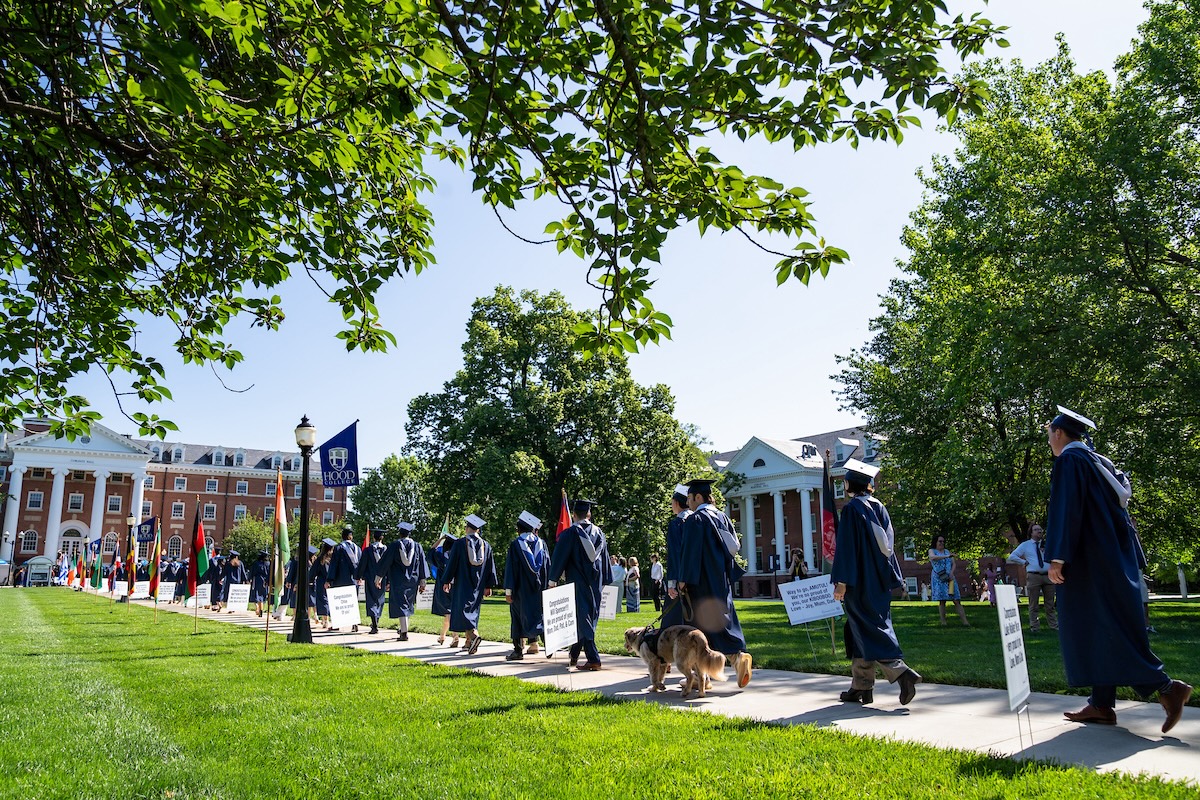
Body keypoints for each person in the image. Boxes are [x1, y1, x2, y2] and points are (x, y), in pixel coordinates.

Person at [1044, 406, 1191, 732]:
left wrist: (1057, 556)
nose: (1049, 442)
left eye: (1049, 435)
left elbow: (1068, 509)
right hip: (1113, 560)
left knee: (1102, 627)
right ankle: (1101, 705)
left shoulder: (1070, 460)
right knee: (1103, 626)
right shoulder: (1101, 463)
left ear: (1058, 433)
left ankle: (1167, 687)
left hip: (1089, 563)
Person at [831, 459, 922, 706]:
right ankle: (861, 686)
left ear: (851, 484)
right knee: (859, 628)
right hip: (878, 581)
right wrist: (895, 578)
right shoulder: (879, 507)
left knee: (869, 630)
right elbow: (888, 548)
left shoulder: (852, 509)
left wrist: (842, 581)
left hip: (859, 582)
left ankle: (902, 674)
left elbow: (847, 549)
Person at [679, 478, 753, 688]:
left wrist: (683, 580)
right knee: (723, 620)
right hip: (721, 579)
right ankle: (737, 657)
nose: (689, 503)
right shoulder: (722, 517)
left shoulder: (696, 520)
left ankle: (702, 677)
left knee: (701, 631)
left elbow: (690, 553)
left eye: (690, 498)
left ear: (698, 497)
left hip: (701, 581)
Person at [547, 499, 611, 670]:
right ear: (589, 514)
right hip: (596, 583)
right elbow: (604, 559)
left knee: (583, 618)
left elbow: (560, 557)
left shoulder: (570, 534)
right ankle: (574, 653)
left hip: (577, 581)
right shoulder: (600, 534)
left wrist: (552, 580)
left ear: (574, 515)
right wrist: (605, 581)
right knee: (586, 618)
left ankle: (594, 658)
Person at [443, 514, 497, 655]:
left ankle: (473, 635)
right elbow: (491, 567)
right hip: (478, 586)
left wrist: (446, 580)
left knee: (463, 611)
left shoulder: (460, 544)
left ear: (467, 528)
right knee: (473, 611)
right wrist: (488, 585)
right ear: (478, 530)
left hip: (462, 584)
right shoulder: (486, 545)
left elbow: (452, 563)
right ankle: (468, 643)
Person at [502, 511, 548, 660]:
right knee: (540, 615)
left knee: (517, 618)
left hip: (520, 591)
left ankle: (518, 650)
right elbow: (547, 566)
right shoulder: (541, 544)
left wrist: (509, 591)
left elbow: (511, 569)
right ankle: (548, 644)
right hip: (539, 589)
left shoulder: (516, 545)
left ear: (518, 529)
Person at [375, 523, 427, 640]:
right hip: (413, 580)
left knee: (401, 605)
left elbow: (385, 562)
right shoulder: (417, 546)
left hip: (398, 580)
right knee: (407, 604)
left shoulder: (394, 546)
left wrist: (379, 577)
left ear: (400, 533)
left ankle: (404, 632)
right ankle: (404, 628)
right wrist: (422, 581)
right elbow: (422, 565)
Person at [1006, 523, 1057, 631]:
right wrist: (1024, 562)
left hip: (1048, 576)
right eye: (1036, 529)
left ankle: (1054, 626)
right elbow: (1012, 556)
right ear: (1031, 532)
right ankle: (1035, 627)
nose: (1039, 531)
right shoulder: (1026, 545)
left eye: (1040, 529)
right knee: (1034, 603)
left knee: (1050, 603)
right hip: (1034, 576)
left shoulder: (1047, 544)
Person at [663, 484, 690, 629]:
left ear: (677, 503)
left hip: (681, 579)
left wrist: (672, 583)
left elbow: (675, 555)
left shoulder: (677, 523)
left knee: (672, 621)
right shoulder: (697, 519)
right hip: (698, 579)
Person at [928, 535, 970, 627]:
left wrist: (951, 573)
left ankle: (965, 622)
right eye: (940, 541)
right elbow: (932, 557)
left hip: (950, 578)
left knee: (956, 599)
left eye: (943, 541)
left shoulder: (947, 551)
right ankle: (943, 622)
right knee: (942, 601)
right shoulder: (932, 551)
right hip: (939, 578)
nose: (942, 543)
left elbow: (953, 563)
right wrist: (947, 556)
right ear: (935, 542)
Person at [326, 524, 362, 631]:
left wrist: (329, 579)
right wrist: (359, 577)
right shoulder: (358, 549)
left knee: (340, 603)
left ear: (343, 536)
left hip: (341, 579)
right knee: (352, 602)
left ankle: (337, 625)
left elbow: (334, 564)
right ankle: (354, 624)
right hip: (354, 580)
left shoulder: (339, 548)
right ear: (351, 536)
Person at [427, 527, 459, 646]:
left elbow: (431, 551)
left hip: (443, 585)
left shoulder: (441, 557)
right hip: (456, 586)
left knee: (448, 612)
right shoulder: (456, 557)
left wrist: (441, 539)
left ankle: (455, 636)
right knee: (450, 612)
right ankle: (442, 636)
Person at [357, 526, 389, 635]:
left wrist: (359, 576)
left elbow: (362, 565)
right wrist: (389, 581)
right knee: (380, 600)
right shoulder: (386, 550)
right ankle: (376, 622)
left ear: (374, 538)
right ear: (382, 538)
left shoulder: (368, 550)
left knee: (371, 600)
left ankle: (374, 625)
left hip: (371, 578)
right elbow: (389, 566)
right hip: (382, 579)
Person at [311, 539, 335, 629]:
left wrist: (311, 579)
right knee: (332, 601)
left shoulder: (320, 559)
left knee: (323, 600)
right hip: (333, 582)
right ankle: (333, 620)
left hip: (322, 582)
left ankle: (326, 621)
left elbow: (314, 571)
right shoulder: (335, 558)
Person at [249, 550, 271, 617]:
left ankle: (258, 608)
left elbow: (252, 572)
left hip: (257, 580)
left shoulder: (256, 563)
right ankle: (261, 609)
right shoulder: (268, 564)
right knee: (263, 595)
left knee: (257, 595)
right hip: (265, 581)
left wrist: (249, 578)